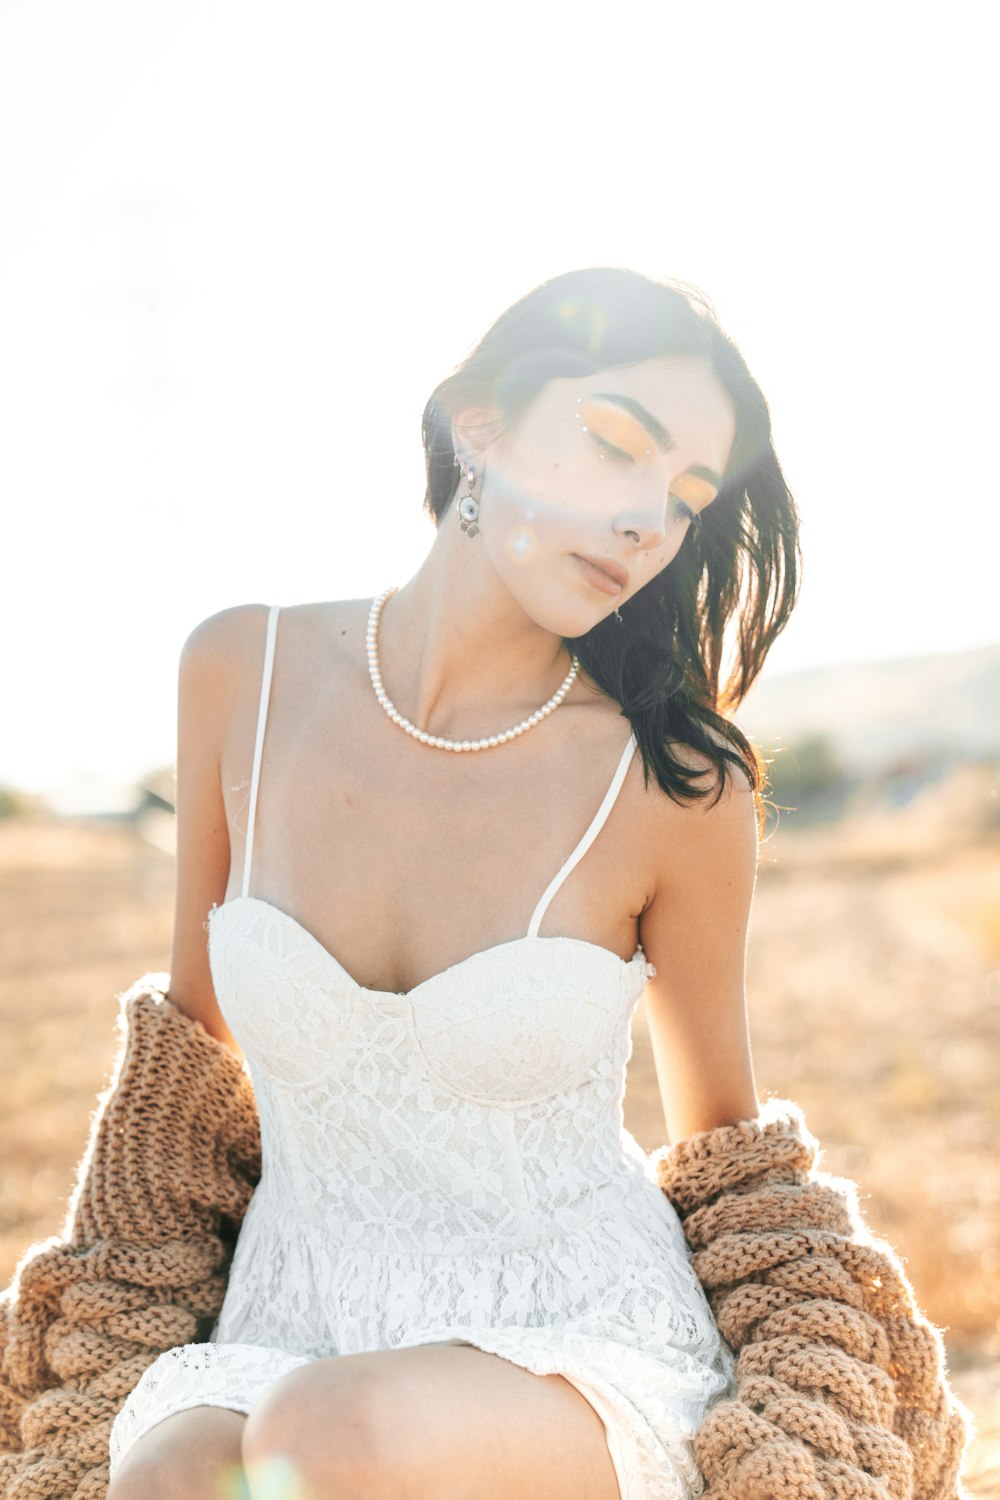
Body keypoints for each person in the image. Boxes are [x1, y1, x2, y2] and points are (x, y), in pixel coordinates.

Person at [106, 265, 801, 1500]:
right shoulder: (240, 671)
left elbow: (722, 1138)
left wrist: (815, 1360)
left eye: (686, 498)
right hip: (288, 1317)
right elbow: (189, 1051)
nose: (649, 519)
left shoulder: (672, 786)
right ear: (477, 423)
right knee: (174, 1472)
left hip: (570, 1343)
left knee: (329, 1438)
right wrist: (114, 1287)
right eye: (612, 444)